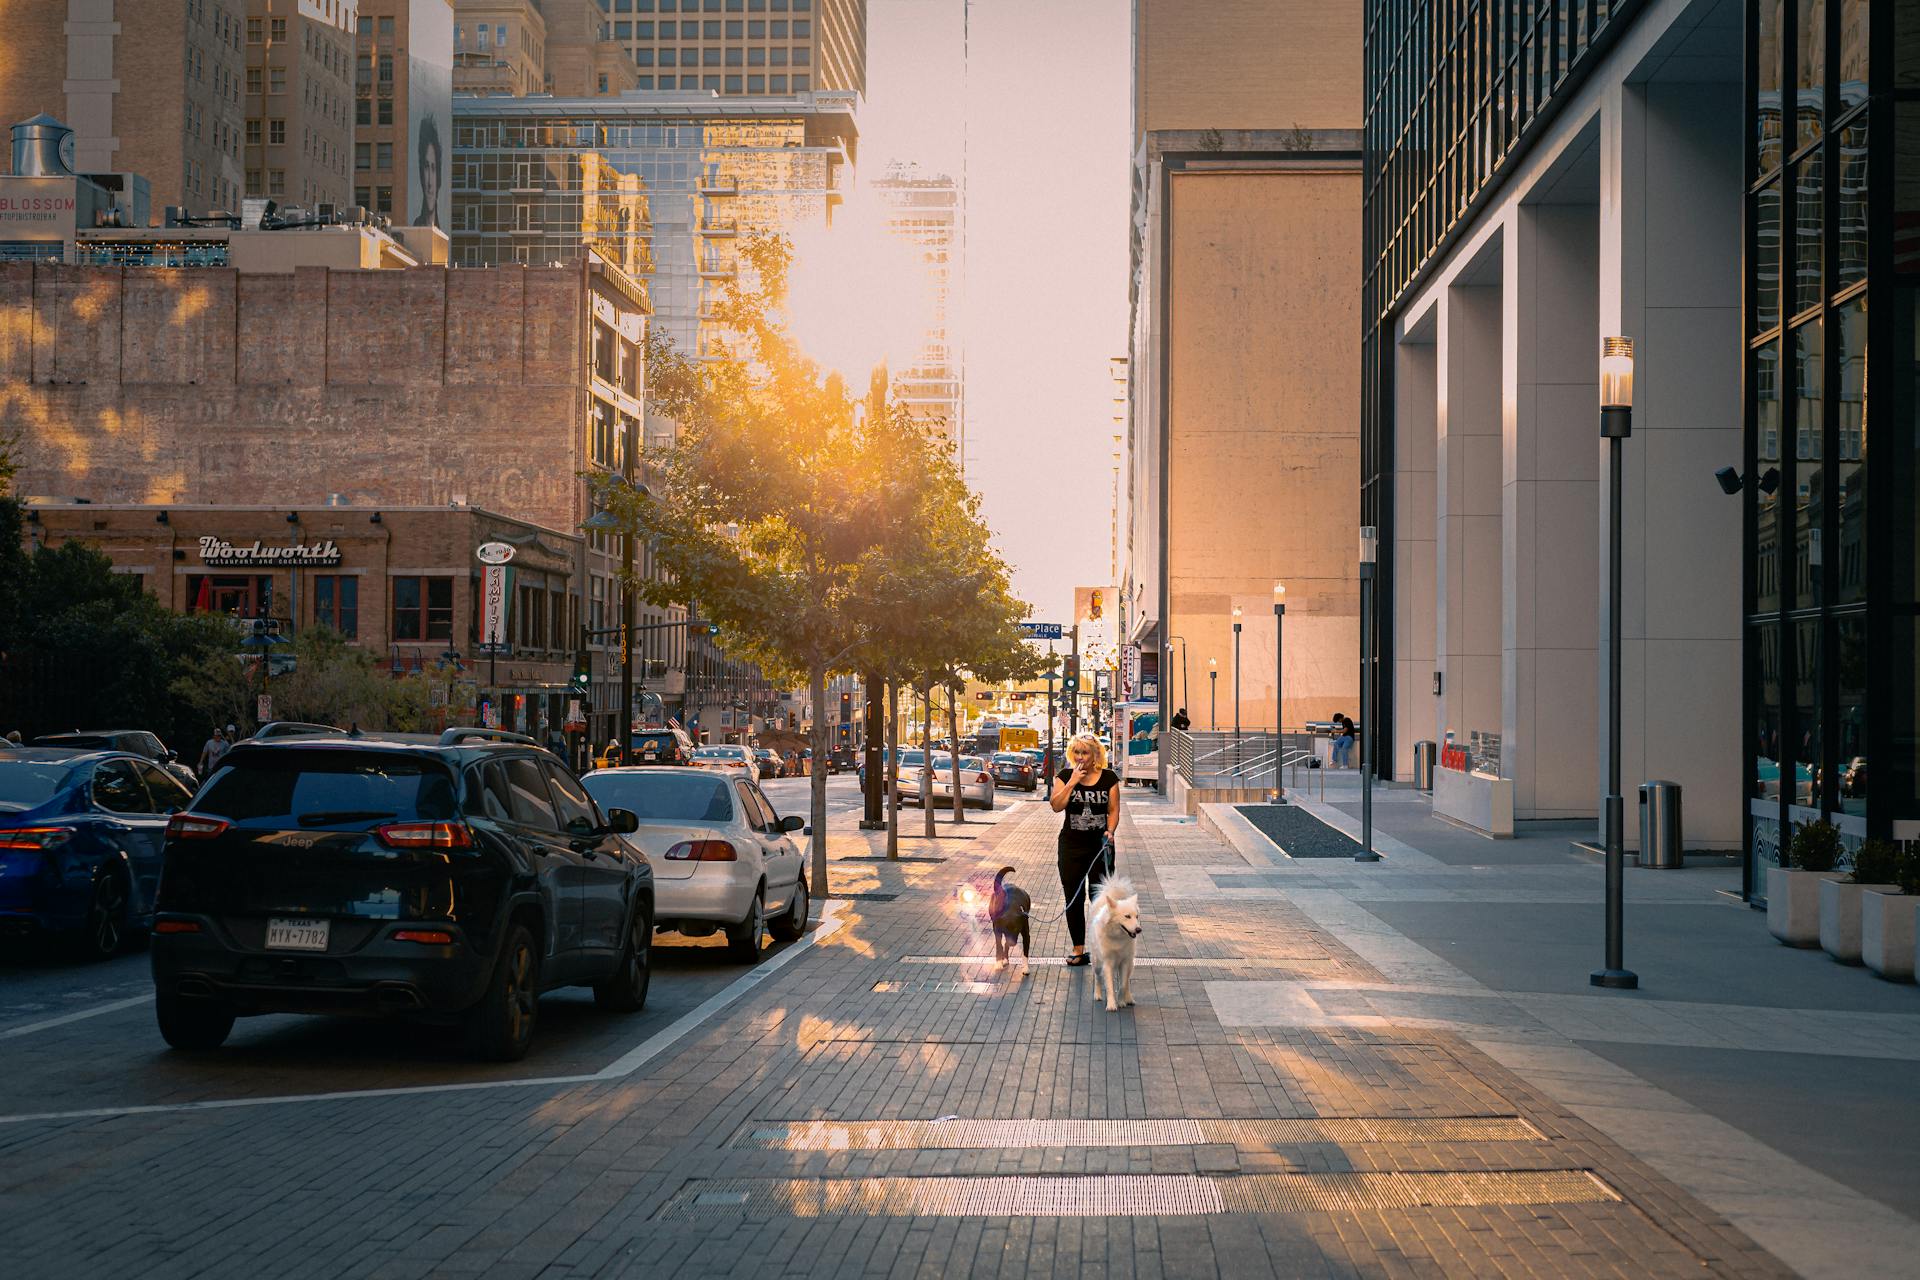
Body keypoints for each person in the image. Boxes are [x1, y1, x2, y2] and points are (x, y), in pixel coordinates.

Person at [1050, 732, 1120, 967]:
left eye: (1085, 752)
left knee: (1100, 899)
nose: (1080, 757)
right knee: (1074, 898)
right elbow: (1056, 806)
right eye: (1077, 752)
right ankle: (1078, 950)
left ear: (1095, 755)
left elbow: (1113, 810)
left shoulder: (1109, 778)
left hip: (1100, 847)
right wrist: (1072, 783)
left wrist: (1110, 831)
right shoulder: (1064, 776)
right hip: (1071, 847)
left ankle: (1101, 948)